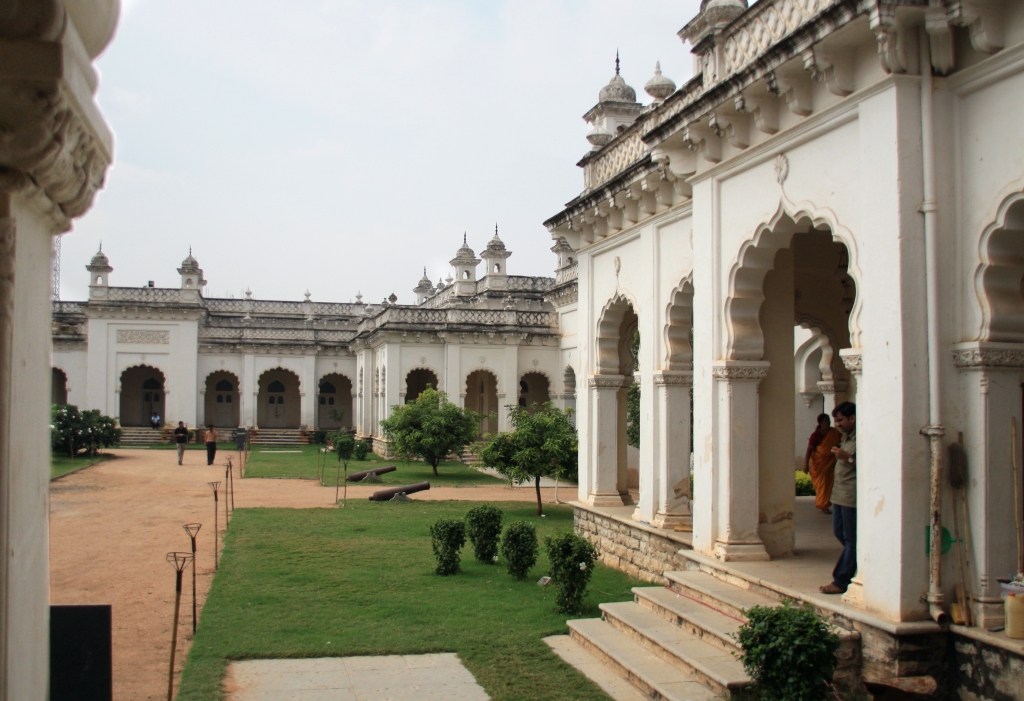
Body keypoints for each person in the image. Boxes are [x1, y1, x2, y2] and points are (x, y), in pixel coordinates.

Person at [820, 401, 856, 595]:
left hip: (852, 496)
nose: (838, 424)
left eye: (841, 420)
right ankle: (856, 561)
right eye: (836, 421)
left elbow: (868, 465)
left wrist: (847, 457)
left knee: (852, 539)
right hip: (840, 495)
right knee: (840, 533)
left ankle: (841, 579)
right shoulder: (846, 438)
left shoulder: (860, 438)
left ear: (853, 418)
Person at [803, 413, 841, 514]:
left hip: (830, 463)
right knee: (822, 484)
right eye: (826, 420)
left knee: (829, 484)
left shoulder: (833, 432)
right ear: (820, 422)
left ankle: (827, 504)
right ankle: (823, 505)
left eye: (829, 420)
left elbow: (841, 442)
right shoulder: (815, 435)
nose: (828, 422)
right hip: (819, 464)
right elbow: (809, 450)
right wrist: (806, 464)